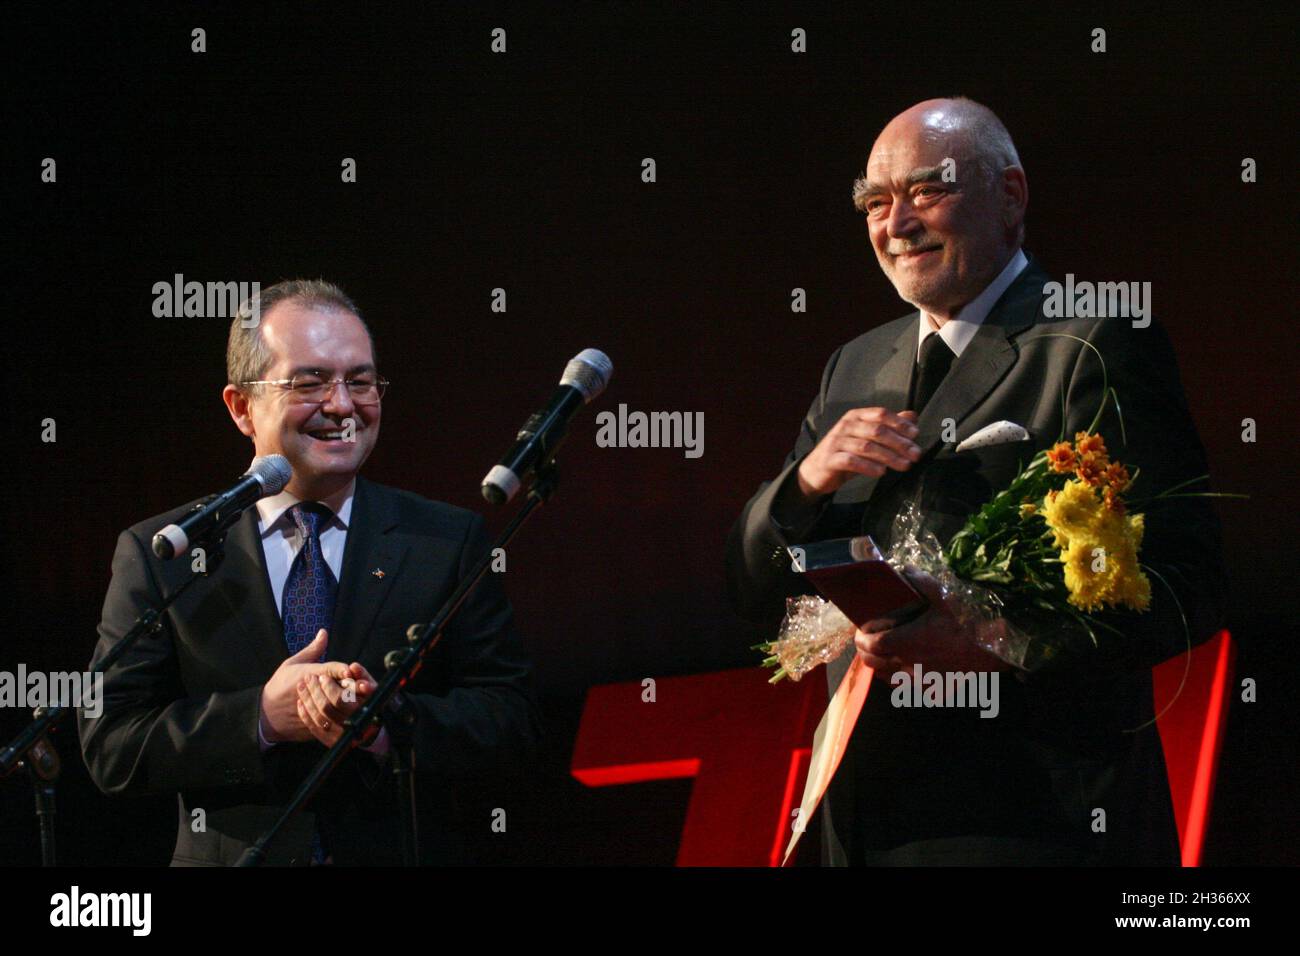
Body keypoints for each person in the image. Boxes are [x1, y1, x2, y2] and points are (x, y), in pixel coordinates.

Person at [726, 98, 1226, 865]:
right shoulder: (854, 366)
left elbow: (1185, 582)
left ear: (1011, 195)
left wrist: (993, 640)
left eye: (928, 190)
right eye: (875, 202)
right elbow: (753, 592)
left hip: (1030, 816)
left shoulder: (1093, 337)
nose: (897, 224)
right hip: (865, 817)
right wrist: (804, 485)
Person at [79, 279, 540, 865]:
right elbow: (110, 745)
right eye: (310, 382)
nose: (342, 405)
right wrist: (261, 719)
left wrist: (383, 726)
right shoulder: (164, 552)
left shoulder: (444, 541)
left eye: (361, 380)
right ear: (242, 407)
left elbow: (513, 719)